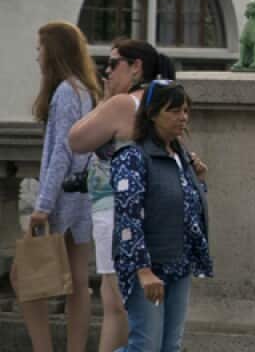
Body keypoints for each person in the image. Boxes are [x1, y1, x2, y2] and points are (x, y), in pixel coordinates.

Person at [69, 38, 179, 352]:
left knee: (116, 303)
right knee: (143, 306)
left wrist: (106, 99)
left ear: (136, 66)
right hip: (158, 213)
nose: (106, 71)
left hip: (116, 210)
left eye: (113, 62)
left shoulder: (124, 104)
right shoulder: (164, 103)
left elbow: (76, 139)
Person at [112, 81, 213, 352]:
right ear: (153, 113)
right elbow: (128, 217)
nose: (183, 118)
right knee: (145, 346)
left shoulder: (181, 157)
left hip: (177, 264)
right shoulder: (132, 157)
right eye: (174, 111)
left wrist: (199, 181)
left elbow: (185, 207)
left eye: (186, 111)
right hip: (147, 266)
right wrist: (143, 271)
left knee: (170, 347)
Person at [22, 21, 101, 352]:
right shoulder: (86, 91)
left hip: (62, 200)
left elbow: (61, 152)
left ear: (52, 52)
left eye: (39, 48)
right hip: (83, 196)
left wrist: (42, 205)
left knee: (25, 281)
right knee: (78, 283)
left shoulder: (66, 92)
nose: (36, 55)